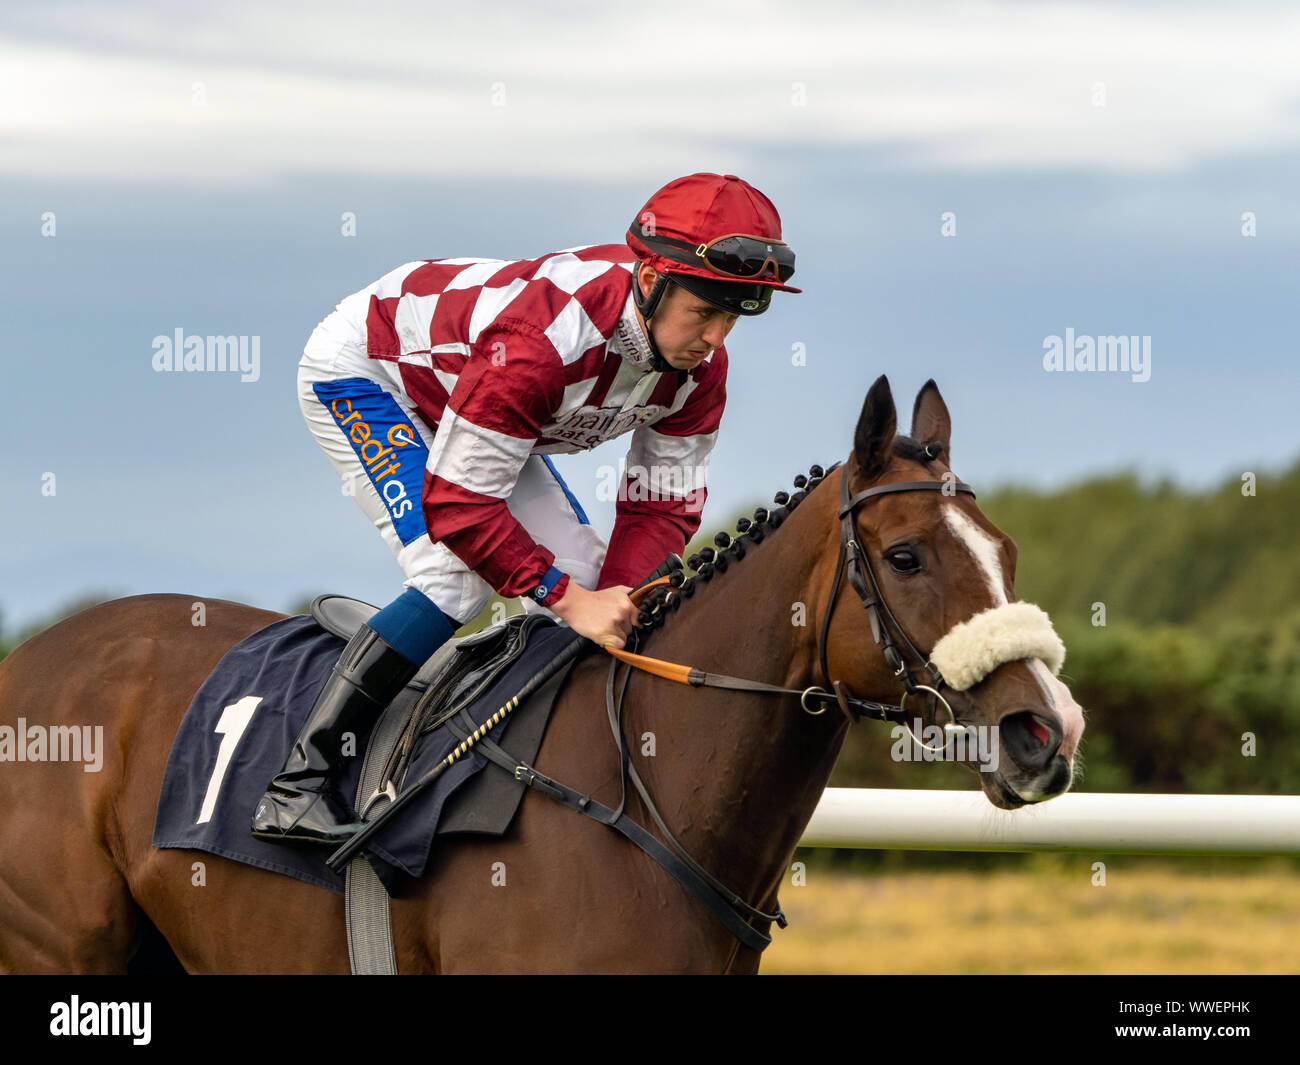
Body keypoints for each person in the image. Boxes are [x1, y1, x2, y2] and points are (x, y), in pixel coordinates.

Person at [250, 172, 800, 846]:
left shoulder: (700, 374)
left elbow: (659, 509)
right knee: (453, 575)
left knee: (601, 583)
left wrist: (615, 600)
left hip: (475, 392)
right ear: (651, 279)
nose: (715, 339)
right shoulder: (543, 343)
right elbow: (458, 506)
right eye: (704, 312)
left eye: (734, 317)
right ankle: (296, 784)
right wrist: (565, 600)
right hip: (373, 373)